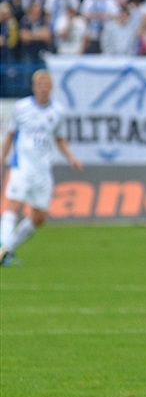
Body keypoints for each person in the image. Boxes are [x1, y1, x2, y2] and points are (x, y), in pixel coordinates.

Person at [0, 70, 82, 266]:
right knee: (13, 204)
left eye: (47, 84)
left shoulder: (58, 112)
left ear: (51, 87)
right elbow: (10, 135)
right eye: (40, 84)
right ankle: (4, 248)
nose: (43, 88)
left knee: (39, 217)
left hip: (43, 170)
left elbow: (59, 138)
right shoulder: (22, 108)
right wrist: (2, 159)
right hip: (22, 166)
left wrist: (71, 158)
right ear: (34, 87)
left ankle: (6, 248)